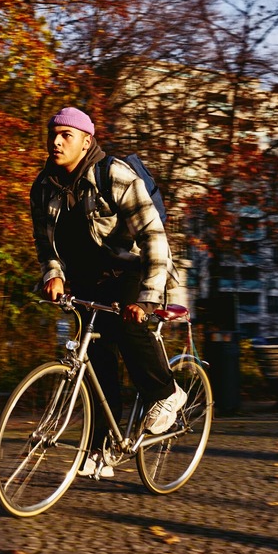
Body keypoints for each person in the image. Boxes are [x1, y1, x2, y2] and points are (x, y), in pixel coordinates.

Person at [29, 106, 185, 477]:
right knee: (96, 360)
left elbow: (152, 236)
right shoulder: (43, 187)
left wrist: (147, 297)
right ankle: (103, 448)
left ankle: (166, 393)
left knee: (128, 329)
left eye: (66, 135)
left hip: (132, 268)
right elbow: (44, 244)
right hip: (86, 278)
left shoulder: (113, 175)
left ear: (86, 142)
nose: (56, 141)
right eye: (53, 133)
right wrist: (53, 274)